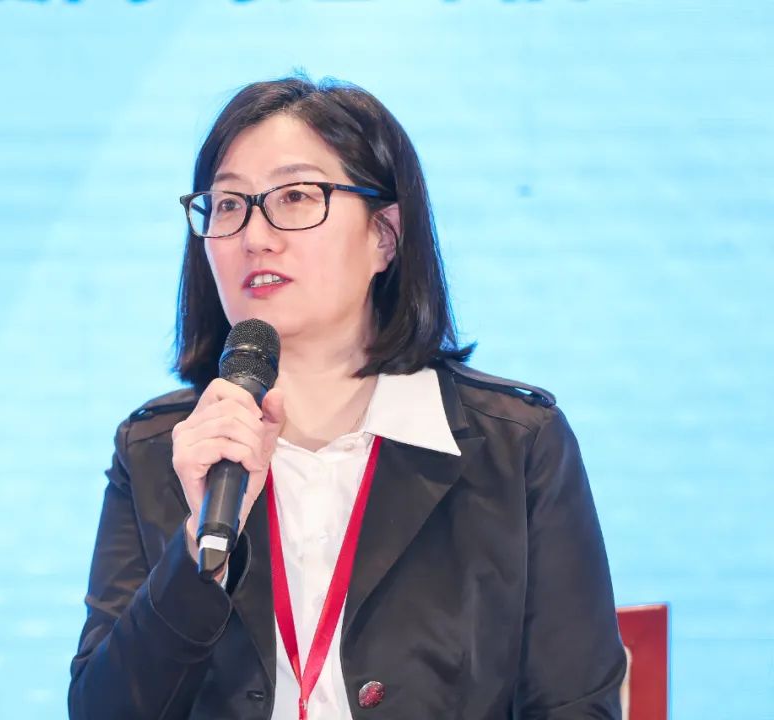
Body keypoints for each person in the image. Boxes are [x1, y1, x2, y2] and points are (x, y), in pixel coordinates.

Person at [68, 75, 626, 720]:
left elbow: (575, 704)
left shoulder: (517, 444)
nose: (255, 236)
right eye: (227, 204)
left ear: (384, 235)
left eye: (296, 196)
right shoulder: (161, 450)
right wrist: (198, 550)